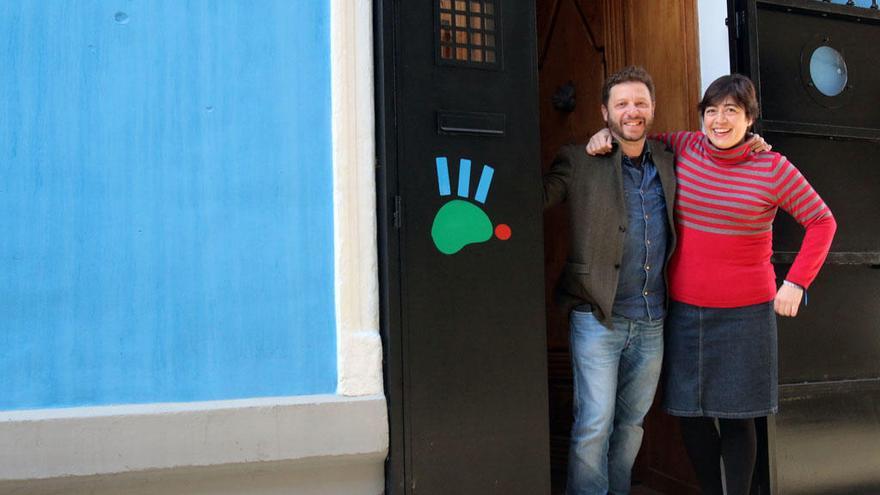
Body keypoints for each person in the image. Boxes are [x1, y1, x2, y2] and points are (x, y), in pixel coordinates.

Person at [586, 74, 837, 495]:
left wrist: (796, 281)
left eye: (731, 111)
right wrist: (602, 134)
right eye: (712, 111)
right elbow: (631, 135)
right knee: (690, 415)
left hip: (746, 315)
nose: (720, 120)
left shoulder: (771, 167)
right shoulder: (681, 148)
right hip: (684, 312)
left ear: (750, 119)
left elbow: (822, 221)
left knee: (739, 418)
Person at [542, 66, 676, 495]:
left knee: (631, 424)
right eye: (621, 104)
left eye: (640, 102)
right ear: (605, 112)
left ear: (653, 108)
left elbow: (719, 147)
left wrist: (755, 142)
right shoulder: (579, 158)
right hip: (598, 316)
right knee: (594, 424)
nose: (631, 111)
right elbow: (537, 198)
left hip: (653, 318)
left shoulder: (672, 161)